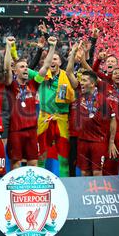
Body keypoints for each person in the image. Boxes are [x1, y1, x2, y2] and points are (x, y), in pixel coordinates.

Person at [66, 45, 118, 176]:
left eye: (84, 81)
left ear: (93, 84)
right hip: (82, 140)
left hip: (98, 141)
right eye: (81, 80)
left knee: (97, 172)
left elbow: (113, 118)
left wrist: (111, 142)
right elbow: (68, 72)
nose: (81, 83)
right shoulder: (78, 92)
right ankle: (86, 196)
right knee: (84, 172)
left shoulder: (103, 98)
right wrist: (73, 53)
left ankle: (98, 196)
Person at [35, 36, 73, 177]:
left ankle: (66, 186)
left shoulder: (67, 77)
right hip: (44, 119)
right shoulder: (41, 76)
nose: (52, 61)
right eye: (51, 59)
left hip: (62, 120)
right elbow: (29, 68)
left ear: (60, 62)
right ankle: (40, 183)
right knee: (41, 156)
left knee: (63, 158)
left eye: (55, 59)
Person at [4, 37, 40, 169]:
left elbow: (45, 67)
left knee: (33, 162)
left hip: (32, 130)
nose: (25, 69)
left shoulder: (33, 84)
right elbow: (7, 68)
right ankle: (15, 188)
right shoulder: (11, 85)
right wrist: (8, 47)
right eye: (22, 66)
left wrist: (52, 47)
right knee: (16, 162)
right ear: (16, 70)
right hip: (15, 130)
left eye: (26, 66)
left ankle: (32, 188)